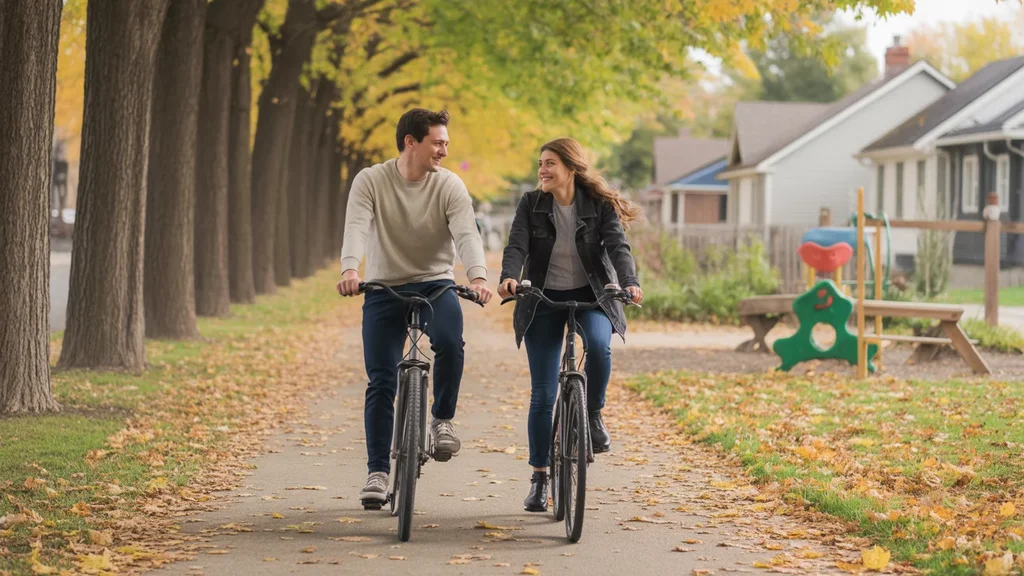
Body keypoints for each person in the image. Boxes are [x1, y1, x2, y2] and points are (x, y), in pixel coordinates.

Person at [336, 108, 494, 506]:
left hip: (435, 284)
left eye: (445, 143)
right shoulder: (371, 180)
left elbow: (465, 233)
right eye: (437, 143)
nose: (444, 150)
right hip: (382, 287)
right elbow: (356, 226)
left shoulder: (450, 185)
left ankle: (442, 420)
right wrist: (350, 269)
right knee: (381, 381)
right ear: (411, 142)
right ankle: (376, 473)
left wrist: (477, 276)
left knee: (450, 341)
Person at [498, 137, 643, 513]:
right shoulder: (531, 204)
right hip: (543, 298)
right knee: (543, 395)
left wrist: (629, 281)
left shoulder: (598, 205)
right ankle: (540, 477)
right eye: (540, 164)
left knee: (599, 345)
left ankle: (592, 413)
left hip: (592, 294)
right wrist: (510, 276)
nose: (542, 170)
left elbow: (617, 246)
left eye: (549, 163)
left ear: (570, 168)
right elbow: (516, 246)